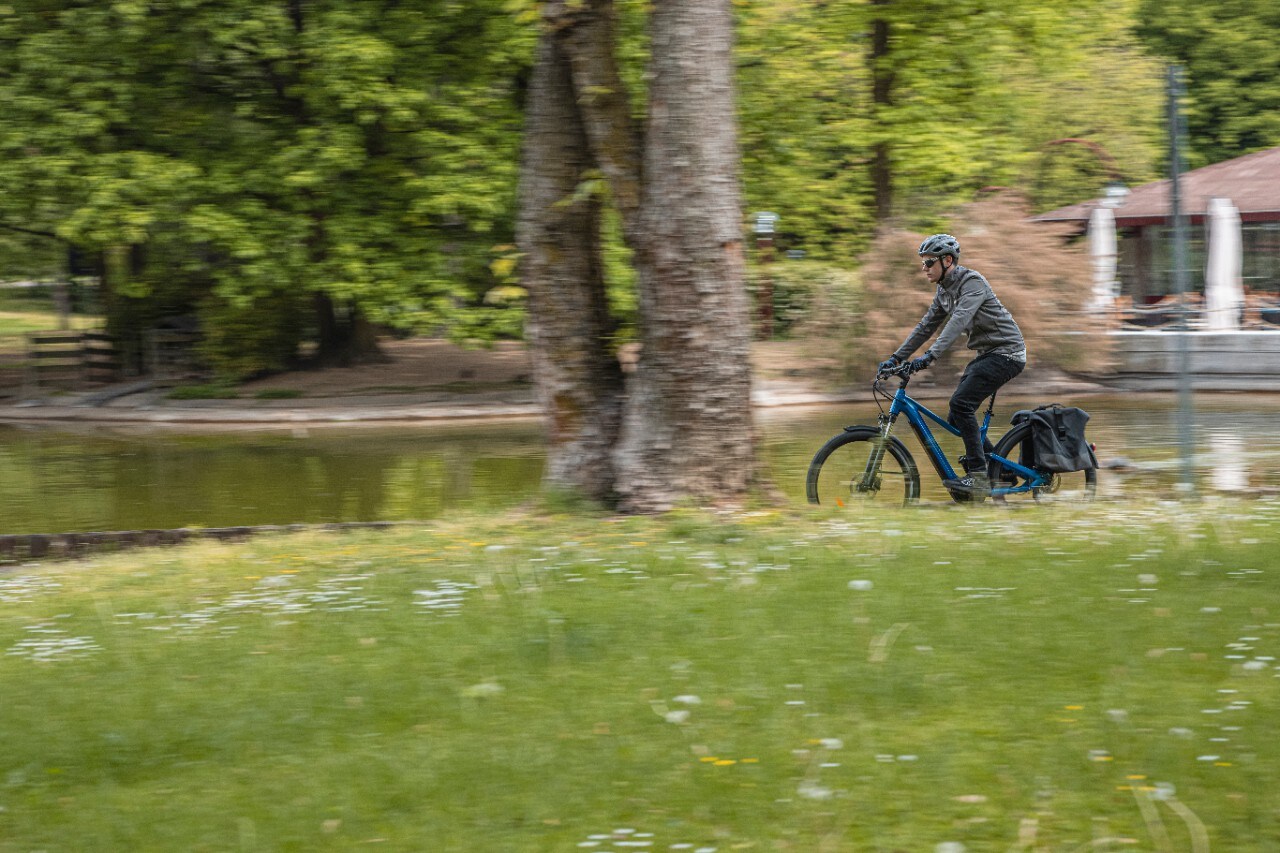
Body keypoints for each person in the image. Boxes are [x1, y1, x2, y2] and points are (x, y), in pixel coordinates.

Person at [878, 233, 1026, 497]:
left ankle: (978, 476)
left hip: (1007, 353)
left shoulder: (973, 283)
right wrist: (897, 357)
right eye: (923, 263)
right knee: (956, 414)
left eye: (929, 263)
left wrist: (930, 356)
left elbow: (958, 321)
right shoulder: (943, 291)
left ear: (948, 260)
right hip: (987, 354)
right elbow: (926, 327)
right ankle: (999, 470)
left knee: (961, 404)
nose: (924, 269)